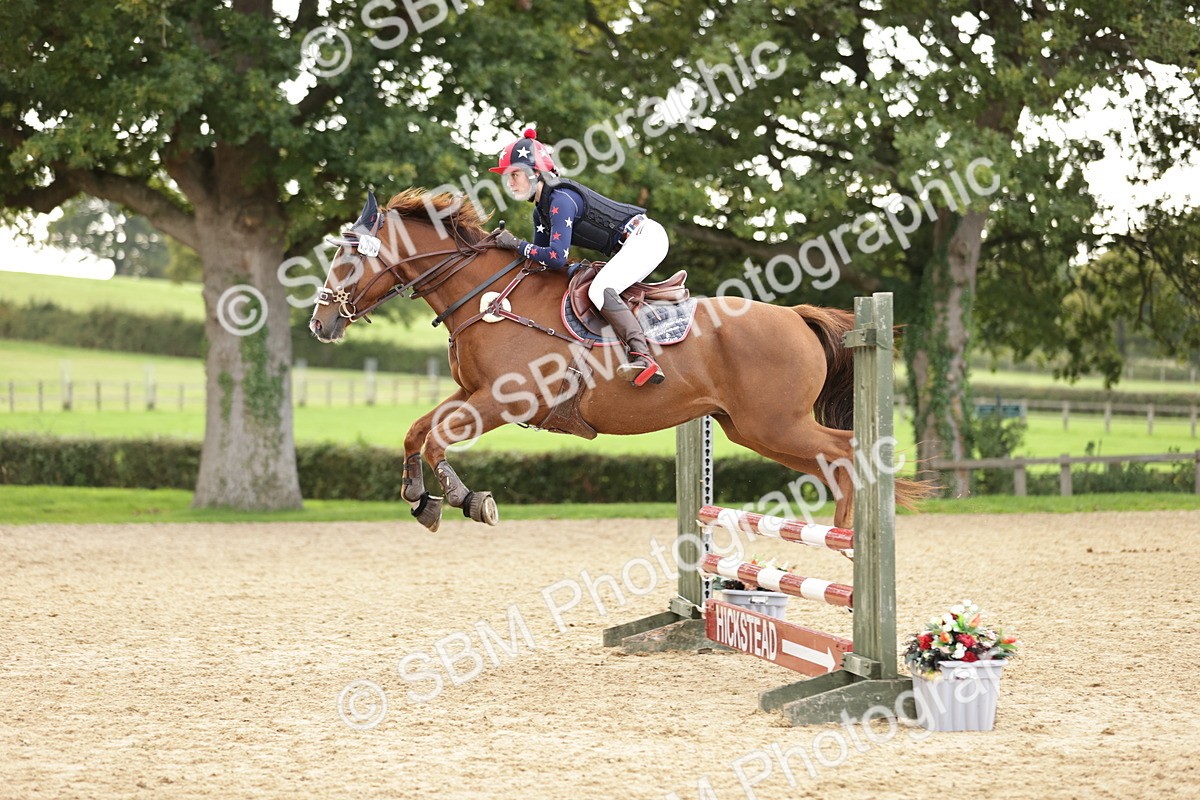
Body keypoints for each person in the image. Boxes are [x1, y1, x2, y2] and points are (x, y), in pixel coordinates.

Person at [489, 129, 669, 387]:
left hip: (645, 238)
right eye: (507, 177)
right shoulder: (541, 213)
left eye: (514, 174)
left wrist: (516, 244)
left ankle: (643, 357)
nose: (509, 183)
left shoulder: (561, 200)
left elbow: (556, 257)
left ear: (535, 172)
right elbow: (541, 264)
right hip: (633, 242)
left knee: (600, 290)